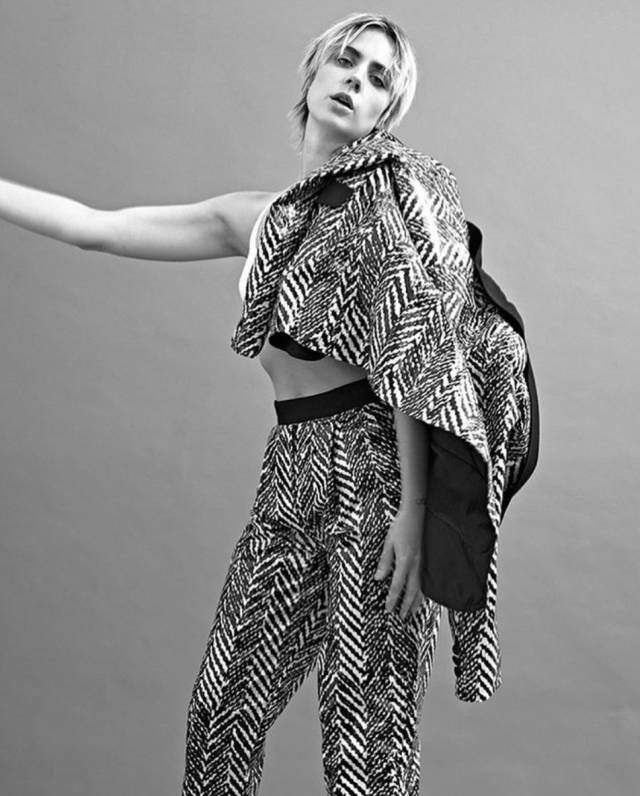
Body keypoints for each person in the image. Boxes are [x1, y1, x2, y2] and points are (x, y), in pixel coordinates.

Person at [0, 12, 538, 796]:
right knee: (220, 714)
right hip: (290, 469)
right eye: (345, 61)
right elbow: (98, 228)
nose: (354, 81)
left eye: (377, 78)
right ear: (314, 72)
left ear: (386, 111)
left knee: (368, 744)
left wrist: (416, 510)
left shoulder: (389, 208)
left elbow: (417, 355)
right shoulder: (260, 217)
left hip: (380, 474)